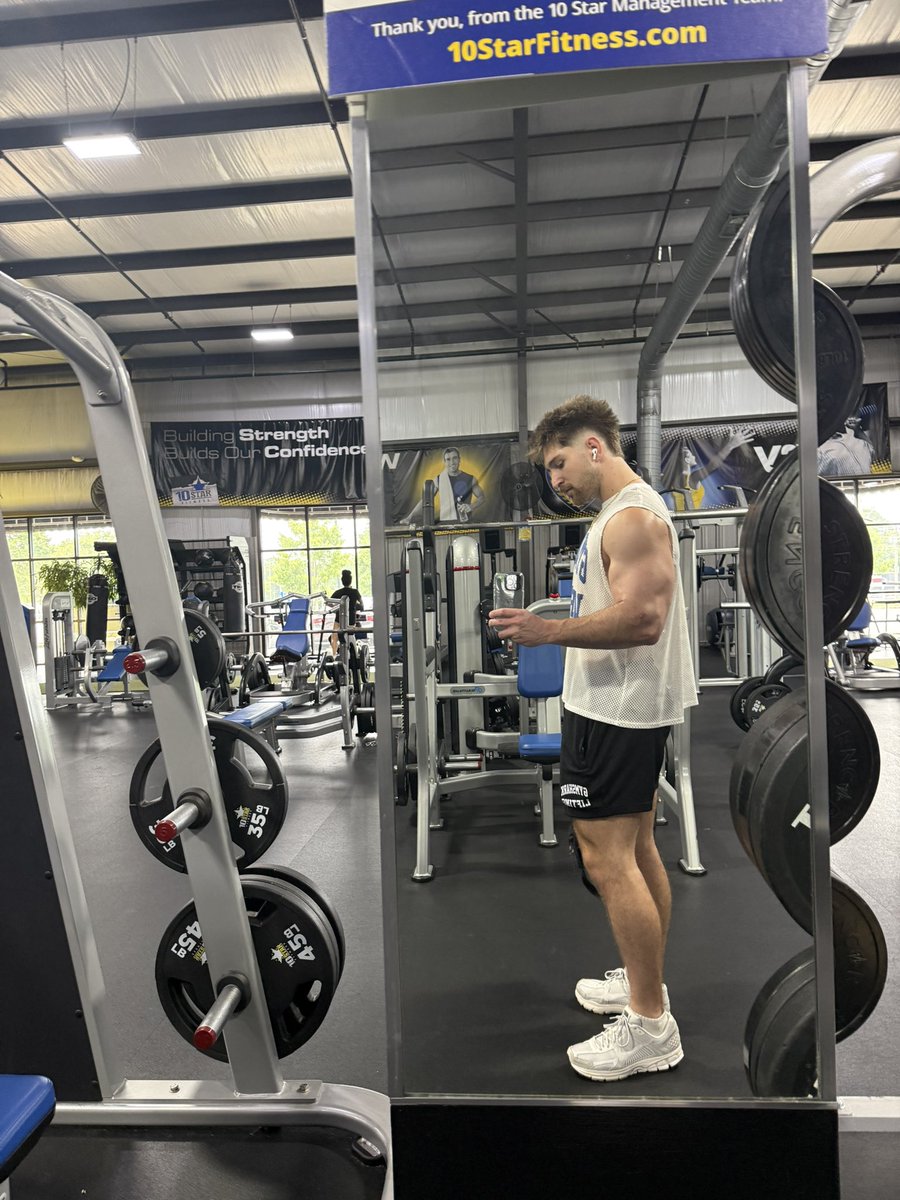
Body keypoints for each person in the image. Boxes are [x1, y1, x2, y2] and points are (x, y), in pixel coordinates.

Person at [489, 395, 698, 1083]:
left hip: (618, 710)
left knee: (607, 860)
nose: (556, 481)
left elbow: (643, 619)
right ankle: (646, 985)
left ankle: (649, 1025)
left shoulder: (633, 517)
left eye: (559, 464)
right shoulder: (618, 514)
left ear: (594, 447)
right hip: (613, 706)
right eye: (548, 470)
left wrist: (546, 630)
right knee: (635, 850)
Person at [432, 446, 485, 522]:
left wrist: (471, 506)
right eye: (448, 459)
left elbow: (482, 497)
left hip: (466, 523)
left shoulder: (470, 478)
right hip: (446, 524)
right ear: (444, 462)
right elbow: (426, 500)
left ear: (459, 459)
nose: (452, 462)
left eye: (455, 458)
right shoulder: (438, 479)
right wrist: (413, 515)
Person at [330, 569, 364, 654]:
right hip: (351, 620)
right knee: (349, 636)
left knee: (334, 638)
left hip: (339, 619)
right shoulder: (355, 592)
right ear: (350, 581)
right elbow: (362, 606)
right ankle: (354, 652)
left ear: (342, 581)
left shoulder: (338, 592)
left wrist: (336, 607)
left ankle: (334, 655)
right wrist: (355, 605)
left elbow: (329, 603)